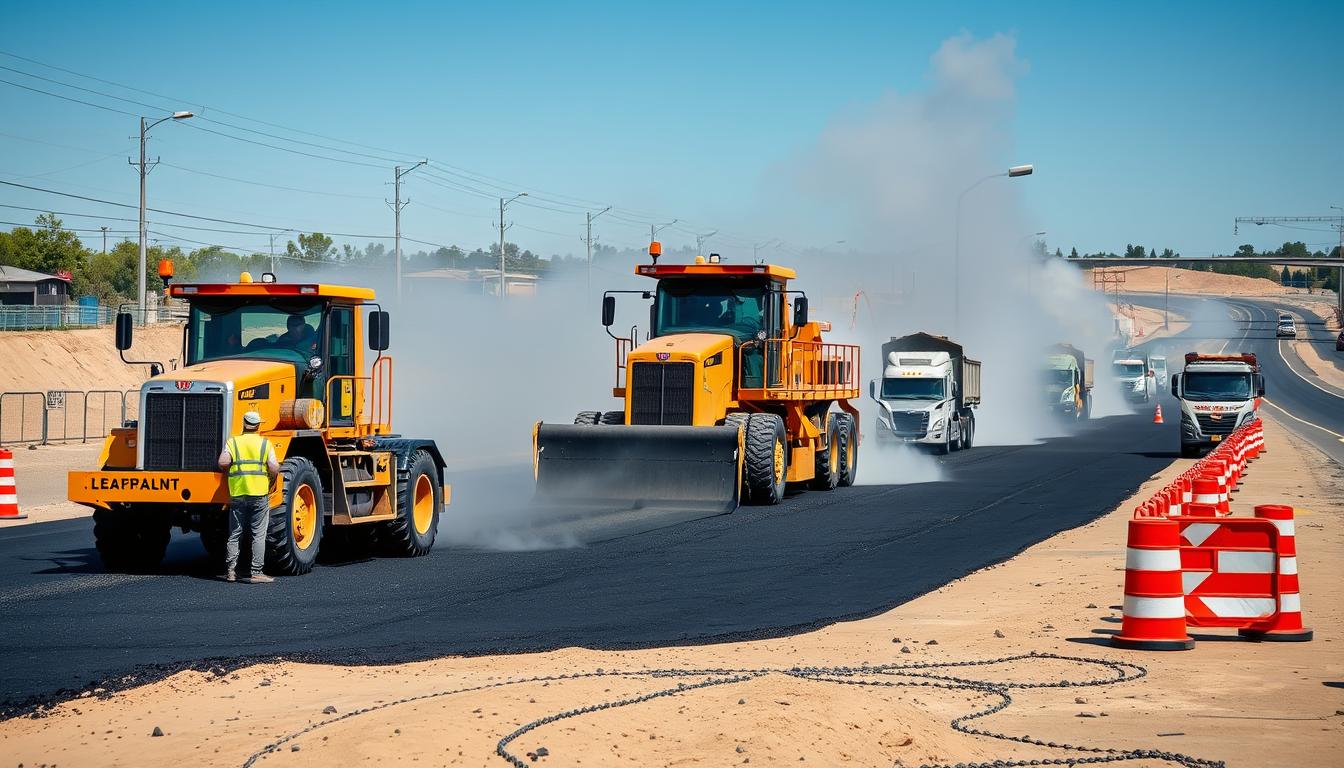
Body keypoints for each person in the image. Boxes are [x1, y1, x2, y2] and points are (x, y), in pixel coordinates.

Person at [217, 411, 280, 583]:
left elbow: (223, 462)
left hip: (238, 493)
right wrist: (270, 479)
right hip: (259, 494)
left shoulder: (233, 442)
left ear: (244, 424)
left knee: (235, 533)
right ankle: (257, 572)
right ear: (258, 426)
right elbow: (274, 468)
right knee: (258, 534)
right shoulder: (265, 444)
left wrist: (230, 470)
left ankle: (231, 572)